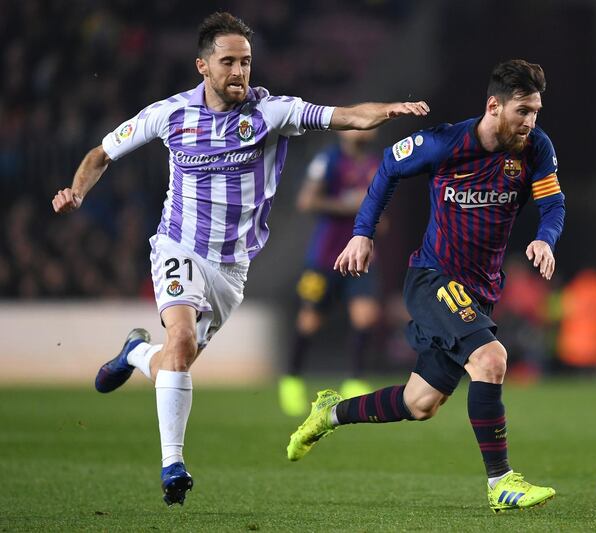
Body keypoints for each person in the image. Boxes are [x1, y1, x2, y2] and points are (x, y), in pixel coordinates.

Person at [51, 12, 429, 506]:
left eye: (245, 62)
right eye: (227, 62)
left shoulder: (272, 113)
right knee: (182, 340)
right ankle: (173, 466)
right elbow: (101, 153)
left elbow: (345, 115)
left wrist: (389, 110)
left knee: (173, 361)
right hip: (178, 245)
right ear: (202, 66)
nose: (239, 72)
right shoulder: (169, 115)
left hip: (232, 269)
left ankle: (133, 353)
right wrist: (77, 192)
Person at [287, 59, 565, 513]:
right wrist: (362, 232)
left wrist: (544, 238)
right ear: (493, 106)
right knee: (491, 359)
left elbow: (553, 204)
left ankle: (330, 413)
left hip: (479, 292)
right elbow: (387, 171)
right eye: (522, 111)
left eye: (535, 111)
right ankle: (500, 483)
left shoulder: (535, 148)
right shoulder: (443, 142)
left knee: (420, 403)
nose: (530, 122)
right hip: (434, 278)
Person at [280, 129, 382, 416]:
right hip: (325, 257)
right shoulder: (328, 159)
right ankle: (292, 379)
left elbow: (379, 207)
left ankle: (355, 381)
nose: (362, 129)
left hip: (362, 257)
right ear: (343, 130)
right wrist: (348, 205)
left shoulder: (376, 164)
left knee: (365, 316)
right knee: (310, 320)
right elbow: (306, 201)